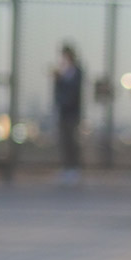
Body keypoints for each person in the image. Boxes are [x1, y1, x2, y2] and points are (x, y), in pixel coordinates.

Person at [52, 43, 84, 184]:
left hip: (72, 112)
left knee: (72, 141)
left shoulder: (76, 71)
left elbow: (74, 91)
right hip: (63, 111)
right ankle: (66, 168)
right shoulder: (63, 71)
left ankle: (74, 169)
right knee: (64, 140)